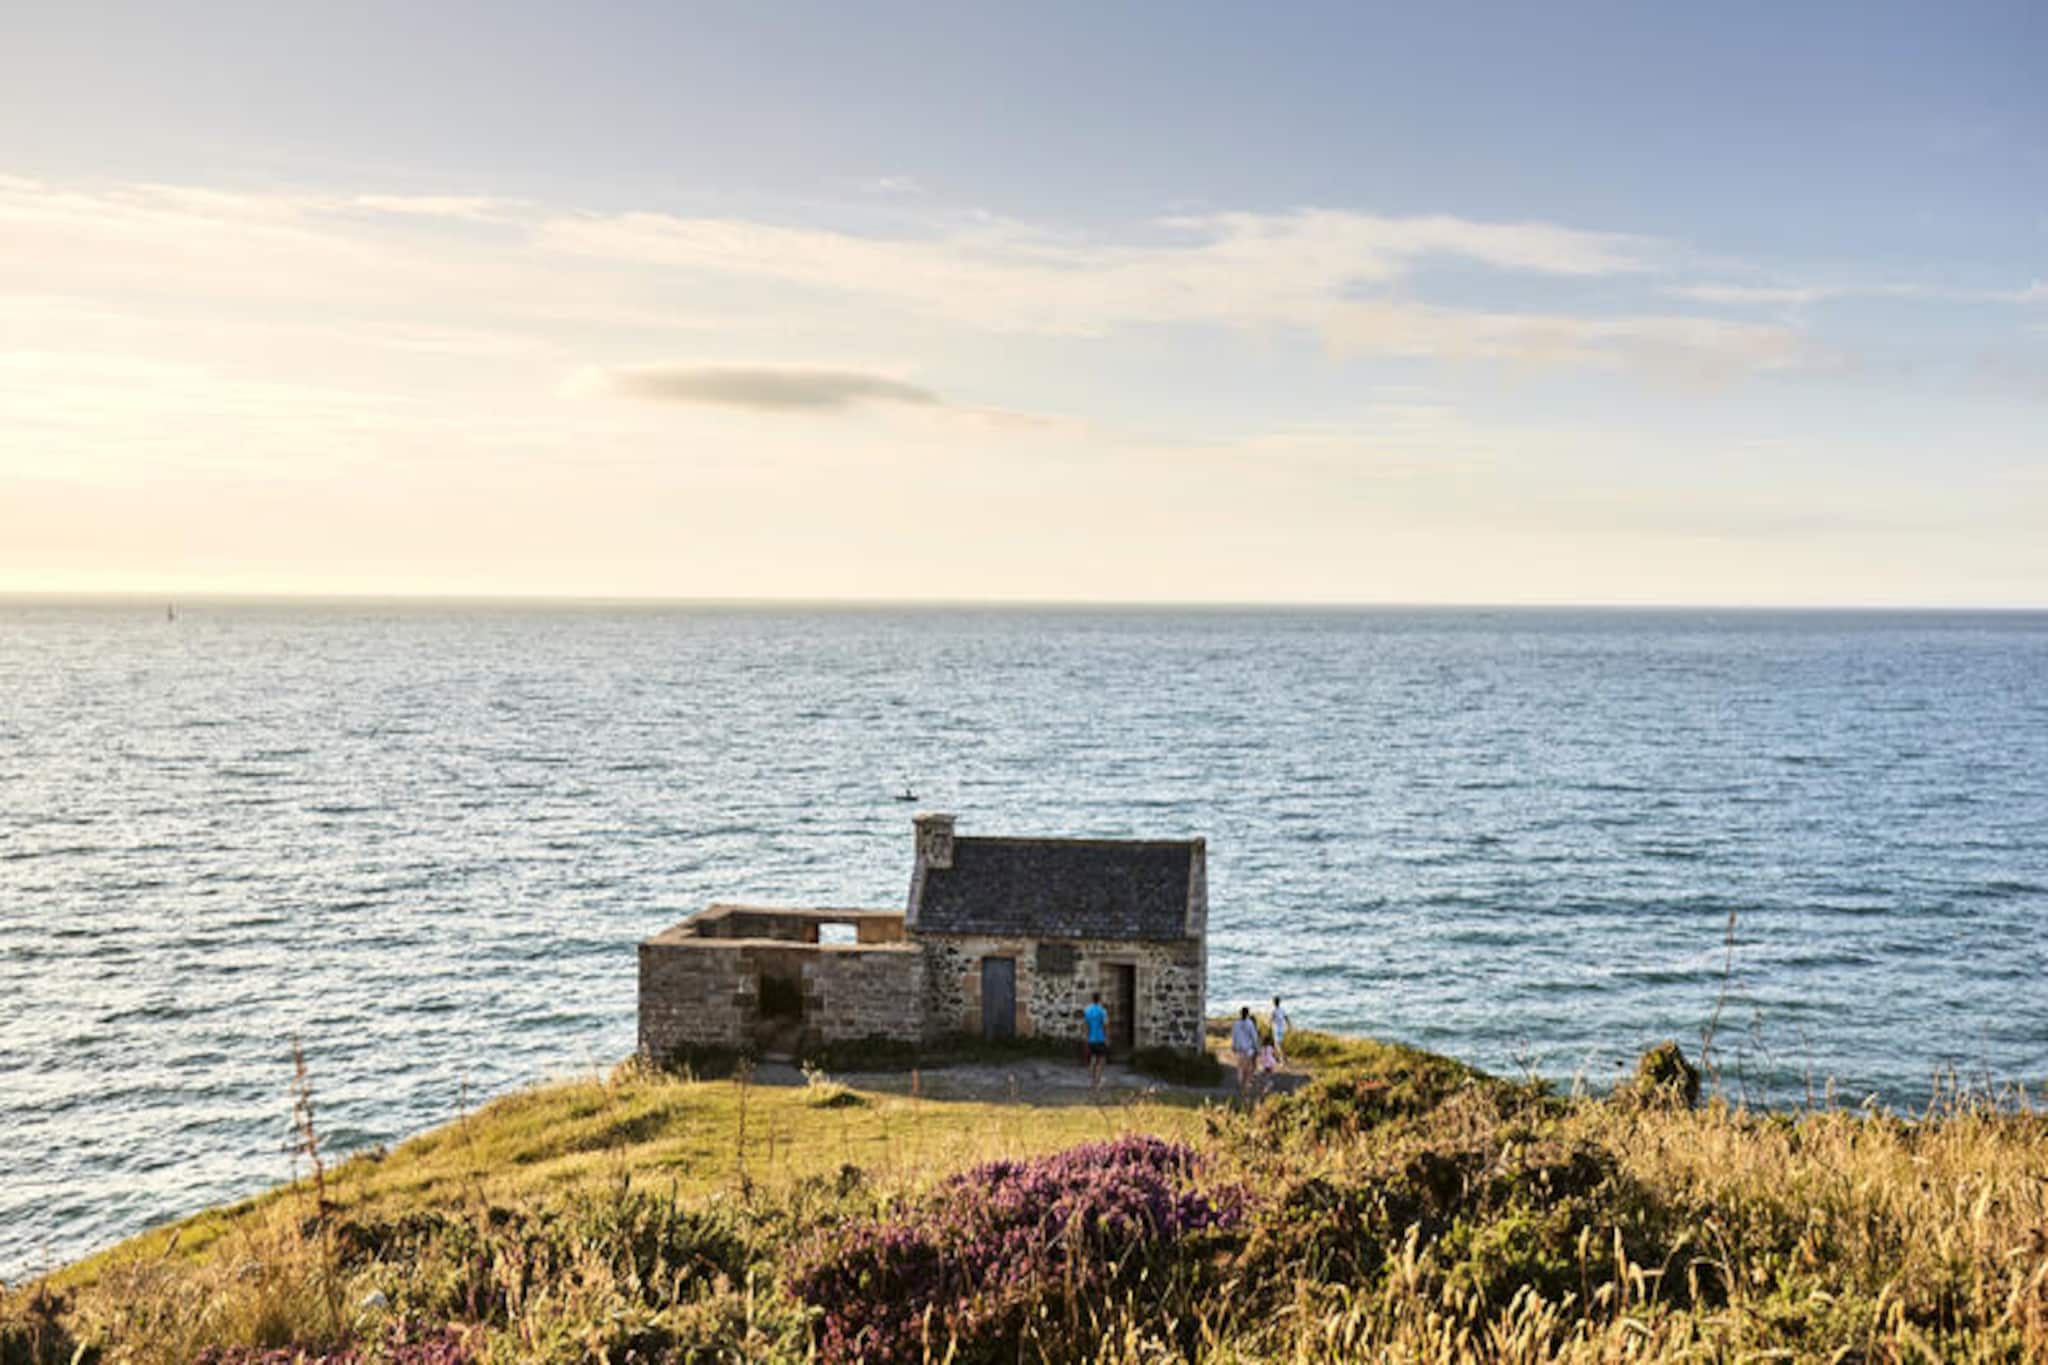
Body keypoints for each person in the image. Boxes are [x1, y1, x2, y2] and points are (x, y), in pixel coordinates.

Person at [1230, 1006, 1260, 1097]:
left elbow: (1234, 1036)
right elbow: (1254, 1037)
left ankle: (1241, 1084)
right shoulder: (1250, 1024)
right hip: (1248, 1050)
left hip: (1239, 1049)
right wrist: (1256, 1047)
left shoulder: (1236, 1024)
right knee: (1248, 1070)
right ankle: (1245, 1087)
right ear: (1247, 1014)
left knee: (1240, 1068)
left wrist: (1234, 1046)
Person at [1083, 992, 1109, 1090]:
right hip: (1100, 1039)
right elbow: (1105, 1025)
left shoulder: (1087, 1011)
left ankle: (1092, 1082)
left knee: (1093, 1060)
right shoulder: (1102, 1011)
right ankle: (1097, 1083)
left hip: (1091, 1039)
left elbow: (1086, 1025)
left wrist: (1086, 1038)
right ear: (1100, 999)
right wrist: (1107, 1038)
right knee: (1101, 1061)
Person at [1270, 996, 1290, 1065]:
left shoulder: (1273, 1010)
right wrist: (1289, 1026)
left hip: (1276, 1029)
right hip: (1282, 1029)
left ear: (1273, 1002)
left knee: (1279, 1045)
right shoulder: (1282, 1010)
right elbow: (1286, 1018)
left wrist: (1268, 1025)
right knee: (1277, 1044)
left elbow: (1271, 1020)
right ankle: (1276, 1058)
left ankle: (1283, 1060)